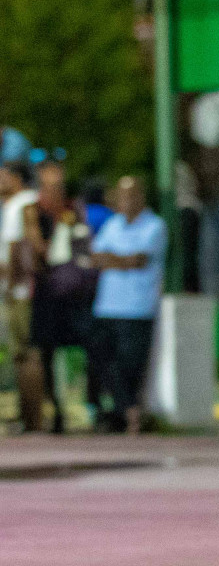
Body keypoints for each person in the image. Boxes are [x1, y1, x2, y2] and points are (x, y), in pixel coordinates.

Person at [20, 161, 100, 433]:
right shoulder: (33, 211)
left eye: (59, 185)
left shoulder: (73, 209)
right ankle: (53, 409)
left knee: (93, 346)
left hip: (72, 295)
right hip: (46, 293)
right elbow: (39, 249)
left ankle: (93, 406)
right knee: (44, 354)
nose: (54, 191)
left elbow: (83, 244)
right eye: (49, 185)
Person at [90, 176, 167, 435]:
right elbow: (96, 257)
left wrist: (113, 260)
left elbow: (138, 261)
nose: (126, 201)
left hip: (137, 307)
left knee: (130, 363)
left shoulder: (154, 225)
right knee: (105, 361)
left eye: (131, 195)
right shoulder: (113, 224)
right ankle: (127, 411)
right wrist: (120, 260)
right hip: (107, 306)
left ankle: (131, 412)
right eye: (122, 196)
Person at [2, 160, 44, 431]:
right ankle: (28, 417)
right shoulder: (19, 203)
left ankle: (33, 421)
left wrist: (10, 284)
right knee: (22, 353)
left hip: (19, 290)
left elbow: (18, 248)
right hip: (20, 288)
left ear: (15, 177)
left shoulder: (21, 203)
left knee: (25, 352)